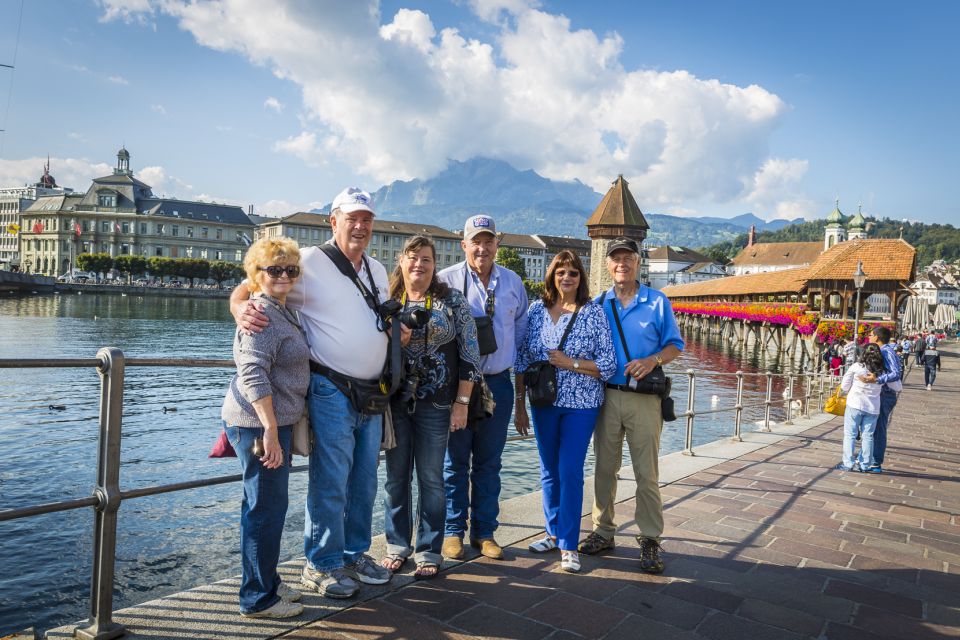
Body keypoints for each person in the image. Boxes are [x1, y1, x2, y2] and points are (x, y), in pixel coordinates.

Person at [230, 187, 397, 599]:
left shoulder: (376, 269)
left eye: (366, 219)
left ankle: (354, 553)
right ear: (333, 220)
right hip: (331, 389)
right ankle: (321, 562)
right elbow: (247, 287)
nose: (360, 226)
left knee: (364, 481)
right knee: (331, 479)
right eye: (351, 218)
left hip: (371, 394)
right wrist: (238, 308)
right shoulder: (307, 261)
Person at [578, 237, 684, 574]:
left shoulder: (656, 301)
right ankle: (603, 530)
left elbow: (675, 345)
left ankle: (650, 538)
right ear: (607, 265)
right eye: (615, 259)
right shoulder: (598, 303)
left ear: (639, 262)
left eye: (628, 258)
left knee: (646, 473)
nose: (621, 263)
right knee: (604, 469)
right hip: (606, 395)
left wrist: (653, 360)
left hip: (644, 400)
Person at [380, 235, 482, 580]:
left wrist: (462, 404)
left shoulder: (452, 301)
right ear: (401, 260)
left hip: (437, 404)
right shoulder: (388, 299)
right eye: (412, 257)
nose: (418, 264)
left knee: (431, 478)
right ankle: (396, 545)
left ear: (435, 264)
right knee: (395, 479)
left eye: (425, 258)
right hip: (394, 403)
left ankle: (429, 549)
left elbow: (471, 355)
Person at [221, 237, 308, 618]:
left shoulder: (279, 310)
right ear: (257, 275)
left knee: (269, 506)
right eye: (274, 269)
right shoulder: (261, 314)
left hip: (272, 423)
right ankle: (257, 599)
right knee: (264, 510)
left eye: (290, 269)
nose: (283, 276)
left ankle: (266, 582)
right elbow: (252, 374)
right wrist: (270, 429)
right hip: (261, 426)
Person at [514, 251, 616, 573]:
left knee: (570, 470)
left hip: (581, 404)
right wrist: (519, 405)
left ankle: (569, 544)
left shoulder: (593, 313)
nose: (566, 278)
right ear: (552, 276)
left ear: (580, 278)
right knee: (548, 470)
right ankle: (552, 532)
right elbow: (521, 359)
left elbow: (609, 365)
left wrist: (570, 363)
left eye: (573, 273)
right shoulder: (535, 311)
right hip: (543, 402)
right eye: (561, 272)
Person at [437, 214, 529, 561]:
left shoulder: (513, 282)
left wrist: (518, 394)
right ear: (464, 245)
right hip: (457, 385)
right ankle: (452, 532)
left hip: (497, 382)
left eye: (488, 240)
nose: (482, 247)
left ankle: (485, 532)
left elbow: (520, 335)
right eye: (476, 240)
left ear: (497, 244)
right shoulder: (445, 281)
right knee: (454, 462)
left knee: (489, 463)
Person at [857, 326, 901, 473]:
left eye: (871, 335)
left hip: (886, 395)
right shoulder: (884, 350)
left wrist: (877, 379)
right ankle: (866, 457)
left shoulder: (885, 351)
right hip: (881, 394)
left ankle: (875, 462)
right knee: (872, 427)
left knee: (878, 427)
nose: (869, 337)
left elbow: (896, 373)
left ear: (877, 337)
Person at [835, 343, 885, 472]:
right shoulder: (882, 371)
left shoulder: (856, 367)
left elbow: (845, 385)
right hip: (873, 407)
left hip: (855, 404)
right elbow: (896, 386)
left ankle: (848, 463)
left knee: (850, 434)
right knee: (868, 436)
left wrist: (843, 392)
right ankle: (865, 465)